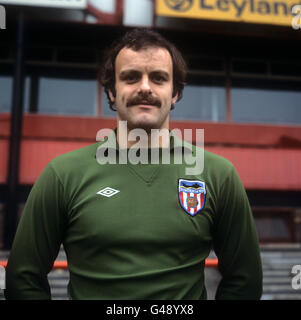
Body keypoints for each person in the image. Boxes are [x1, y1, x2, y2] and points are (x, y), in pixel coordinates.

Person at [5, 28, 262, 300]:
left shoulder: (218, 174)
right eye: (130, 77)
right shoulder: (63, 174)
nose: (145, 87)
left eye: (159, 78)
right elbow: (23, 278)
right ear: (112, 92)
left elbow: (245, 280)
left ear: (175, 93)